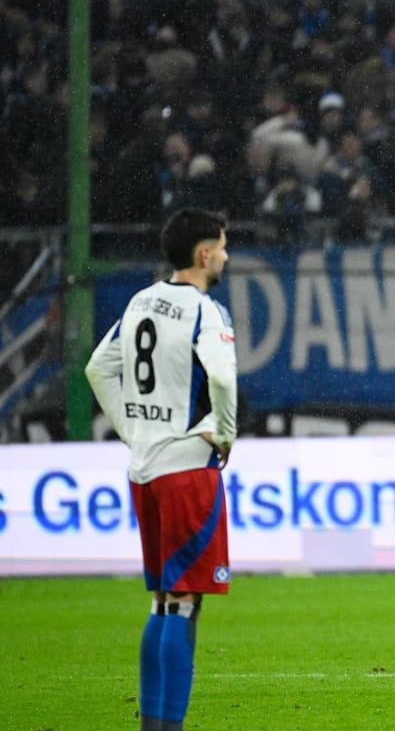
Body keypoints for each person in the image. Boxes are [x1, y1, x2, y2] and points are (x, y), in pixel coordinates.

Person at [85, 207, 238, 731]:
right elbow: (219, 378)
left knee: (159, 602)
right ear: (203, 254)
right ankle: (168, 727)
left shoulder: (140, 301)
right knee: (185, 603)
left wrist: (132, 430)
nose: (225, 254)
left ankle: (152, 724)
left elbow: (97, 368)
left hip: (143, 469)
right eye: (221, 246)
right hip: (187, 468)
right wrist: (226, 430)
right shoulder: (205, 310)